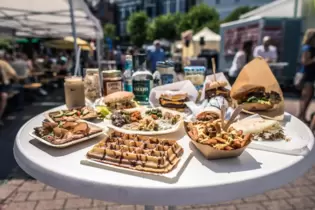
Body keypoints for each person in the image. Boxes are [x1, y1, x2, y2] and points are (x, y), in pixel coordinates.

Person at [297, 30, 315, 124]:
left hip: (310, 74)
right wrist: (313, 60)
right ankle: (301, 116)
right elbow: (305, 61)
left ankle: (302, 116)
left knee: (308, 96)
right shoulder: (307, 48)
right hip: (306, 74)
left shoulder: (311, 47)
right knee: (306, 97)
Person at [0, 51, 19, 126]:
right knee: (4, 97)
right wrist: (16, 80)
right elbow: (13, 74)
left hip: (3, 86)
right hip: (3, 86)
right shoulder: (3, 63)